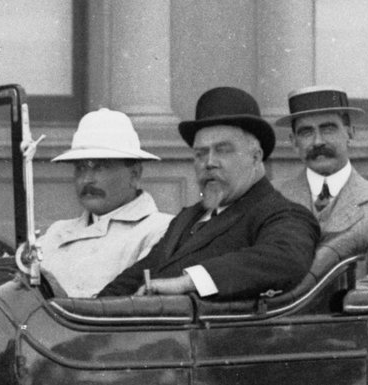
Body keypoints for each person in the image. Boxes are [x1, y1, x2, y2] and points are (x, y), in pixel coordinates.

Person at [98, 86, 319, 300]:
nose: (209, 163)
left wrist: (187, 282)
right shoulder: (188, 217)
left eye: (223, 150)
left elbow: (285, 259)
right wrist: (90, 309)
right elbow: (141, 273)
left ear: (256, 156)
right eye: (200, 153)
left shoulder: (283, 214)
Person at [268, 85, 368, 287]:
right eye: (306, 132)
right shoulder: (272, 197)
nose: (318, 141)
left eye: (328, 129)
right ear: (293, 141)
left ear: (350, 133)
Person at [35, 109, 172, 297]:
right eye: (80, 168)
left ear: (134, 175)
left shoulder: (160, 230)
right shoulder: (56, 233)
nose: (86, 179)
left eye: (100, 167)